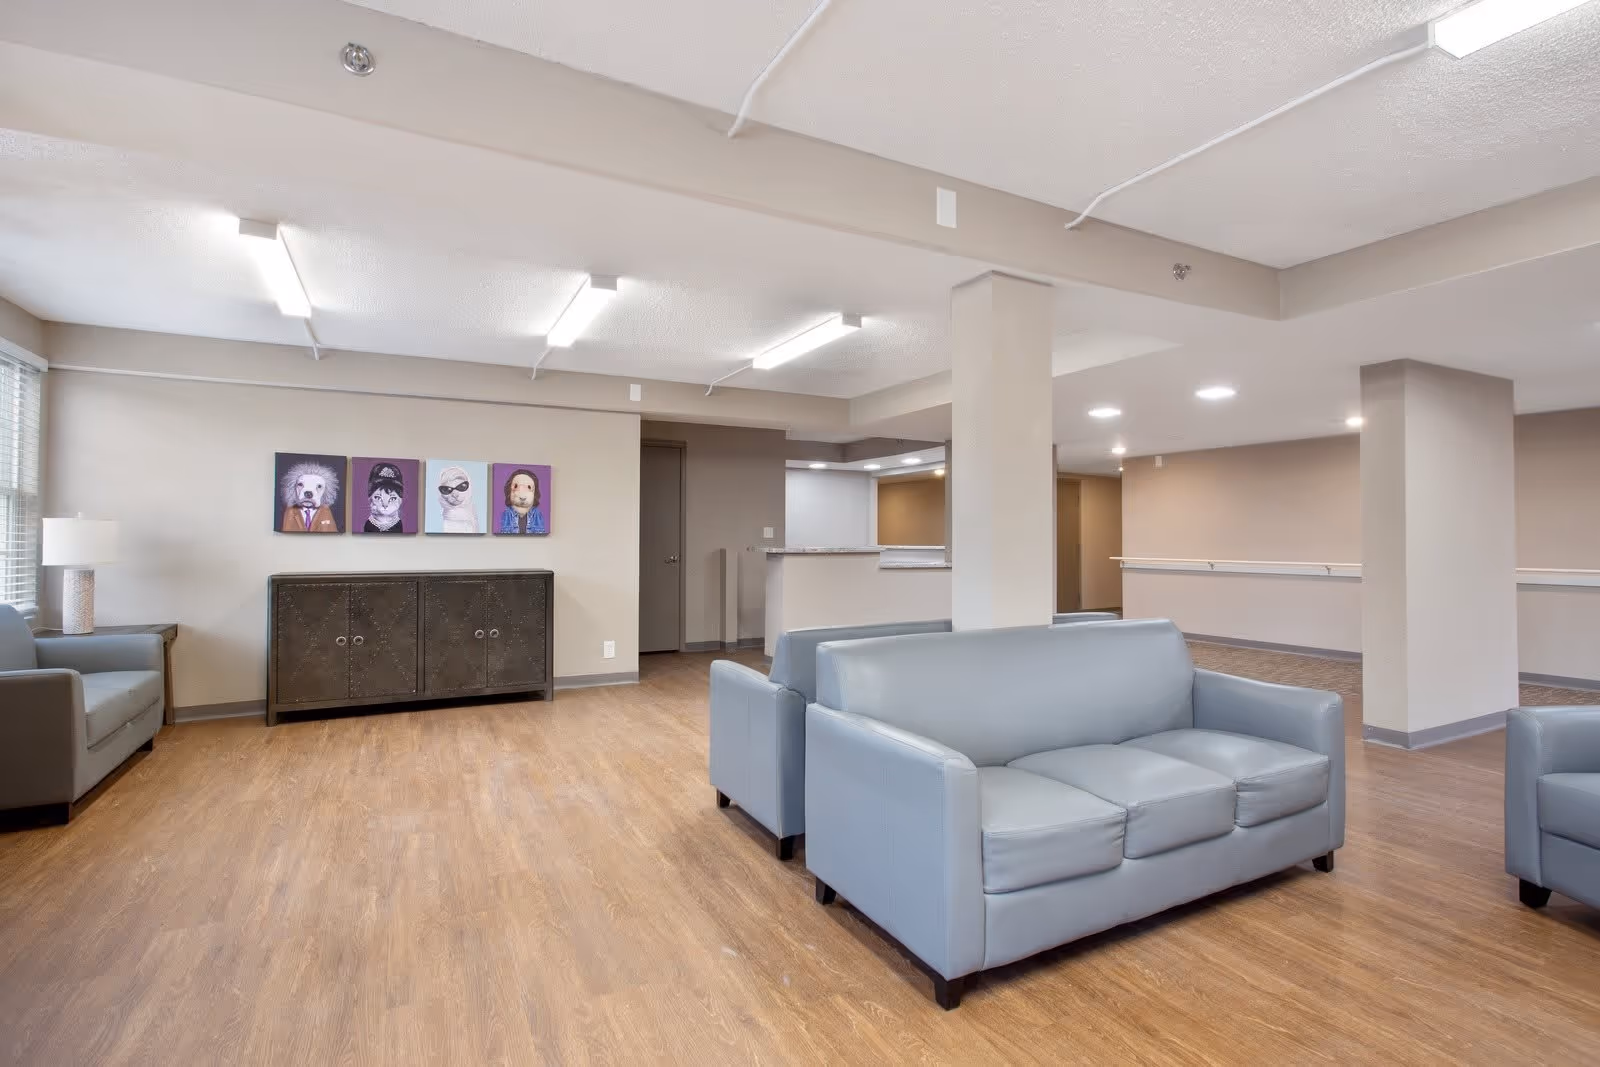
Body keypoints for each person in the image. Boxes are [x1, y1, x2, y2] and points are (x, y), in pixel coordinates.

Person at [497, 468, 547, 534]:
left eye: (529, 487)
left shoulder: (537, 514)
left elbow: (540, 532)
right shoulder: (507, 513)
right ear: (509, 491)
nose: (522, 496)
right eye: (515, 487)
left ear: (535, 493)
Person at [363, 462, 406, 533]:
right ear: (369, 498)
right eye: (378, 497)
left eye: (392, 498)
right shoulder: (368, 525)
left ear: (401, 500)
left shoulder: (399, 525)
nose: (385, 505)